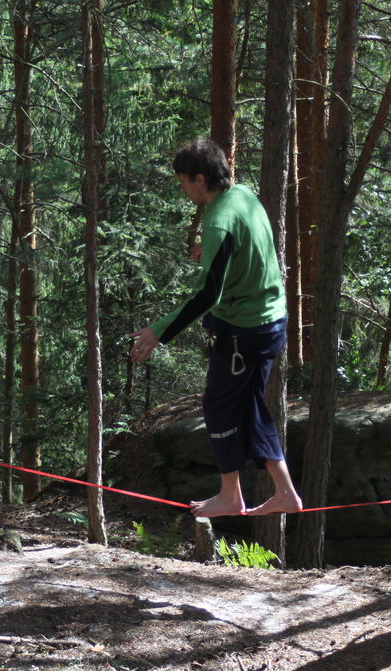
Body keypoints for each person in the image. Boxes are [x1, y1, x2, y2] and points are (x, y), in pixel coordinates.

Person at [129, 138, 303, 518]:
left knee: (221, 407)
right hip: (268, 322)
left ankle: (230, 496)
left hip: (245, 332)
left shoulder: (219, 220)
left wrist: (158, 331)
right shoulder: (242, 196)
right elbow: (250, 244)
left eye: (183, 181)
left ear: (200, 178)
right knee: (251, 407)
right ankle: (285, 493)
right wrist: (209, 252)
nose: (182, 189)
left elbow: (208, 294)